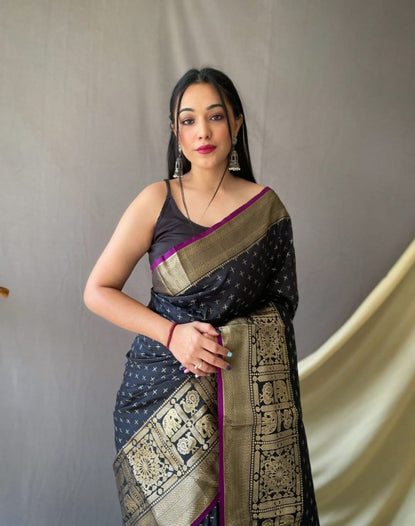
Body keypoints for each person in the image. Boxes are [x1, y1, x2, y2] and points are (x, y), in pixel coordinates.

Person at [84, 68, 319, 526]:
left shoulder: (266, 211)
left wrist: (225, 340)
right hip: (158, 401)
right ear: (176, 131)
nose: (202, 132)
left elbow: (281, 308)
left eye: (215, 116)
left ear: (237, 121)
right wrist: (174, 336)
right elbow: (97, 291)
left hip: (246, 411)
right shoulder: (156, 200)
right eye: (188, 120)